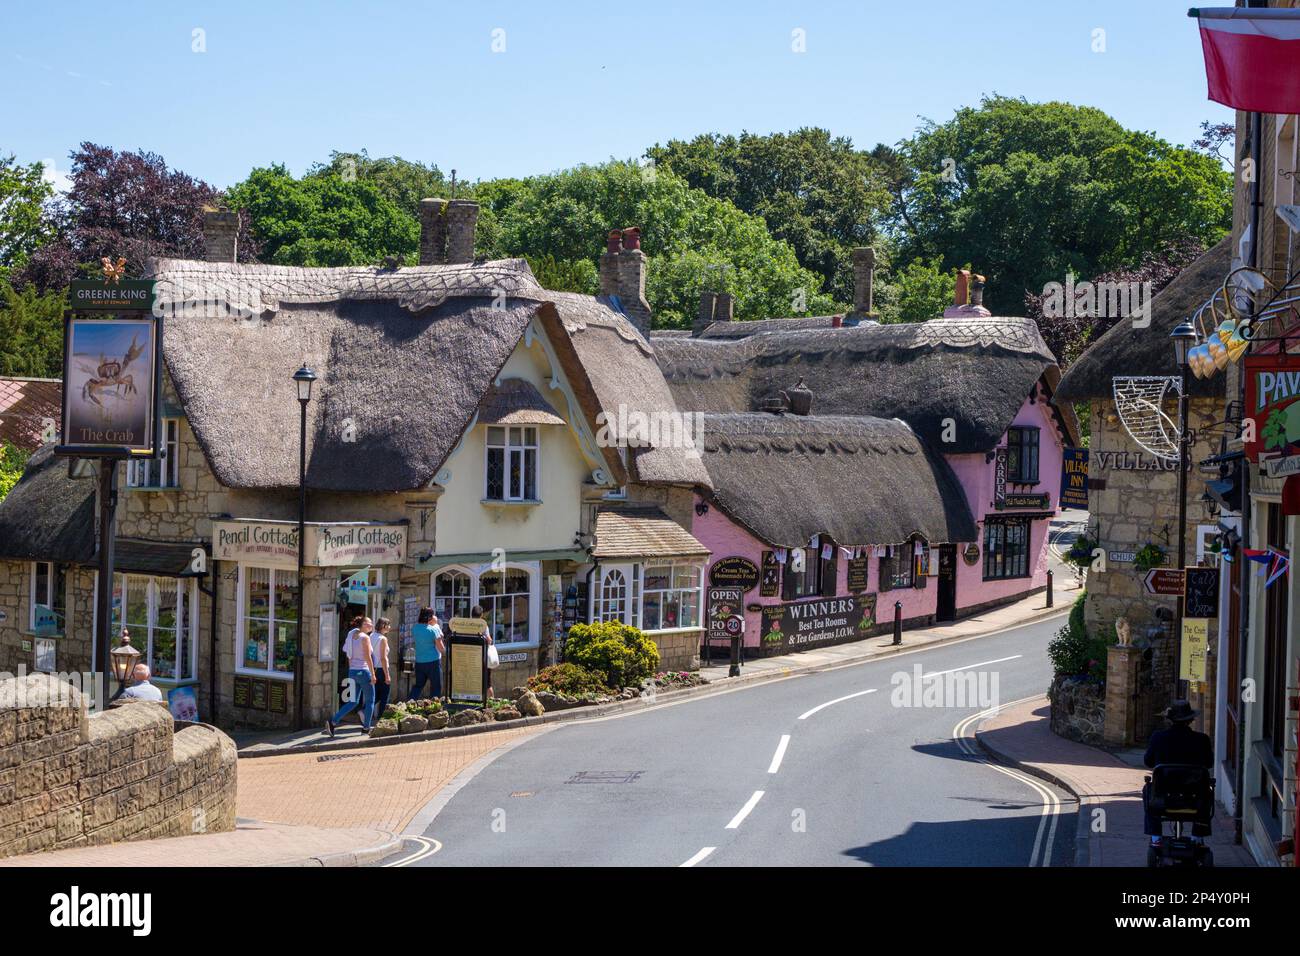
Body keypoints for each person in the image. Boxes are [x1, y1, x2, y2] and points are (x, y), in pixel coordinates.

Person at [1142, 700, 1213, 843]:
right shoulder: (1202, 739)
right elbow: (1209, 763)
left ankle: (1156, 836)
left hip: (1164, 796)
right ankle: (1197, 836)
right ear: (1191, 720)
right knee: (1208, 792)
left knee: (1148, 790)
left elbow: (1148, 761)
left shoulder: (1158, 737)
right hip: (1194, 797)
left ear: (1170, 720)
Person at [326, 617, 376, 737]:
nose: (371, 625)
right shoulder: (365, 638)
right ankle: (366, 728)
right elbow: (368, 657)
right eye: (369, 623)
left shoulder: (351, 634)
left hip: (353, 672)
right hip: (364, 672)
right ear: (363, 624)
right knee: (370, 700)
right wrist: (373, 674)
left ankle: (333, 721)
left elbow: (349, 655)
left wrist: (351, 670)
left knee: (352, 701)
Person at [408, 607, 445, 700]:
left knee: (418, 686)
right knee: (436, 687)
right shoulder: (433, 629)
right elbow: (441, 648)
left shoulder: (415, 628)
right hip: (433, 662)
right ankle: (433, 708)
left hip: (419, 661)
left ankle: (409, 703)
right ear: (429, 617)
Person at [371, 617, 394, 719]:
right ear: (383, 626)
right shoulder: (383, 639)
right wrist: (387, 675)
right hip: (382, 668)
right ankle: (382, 717)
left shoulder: (371, 635)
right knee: (384, 695)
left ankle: (364, 710)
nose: (390, 627)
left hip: (374, 668)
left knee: (376, 694)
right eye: (388, 625)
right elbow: (383, 658)